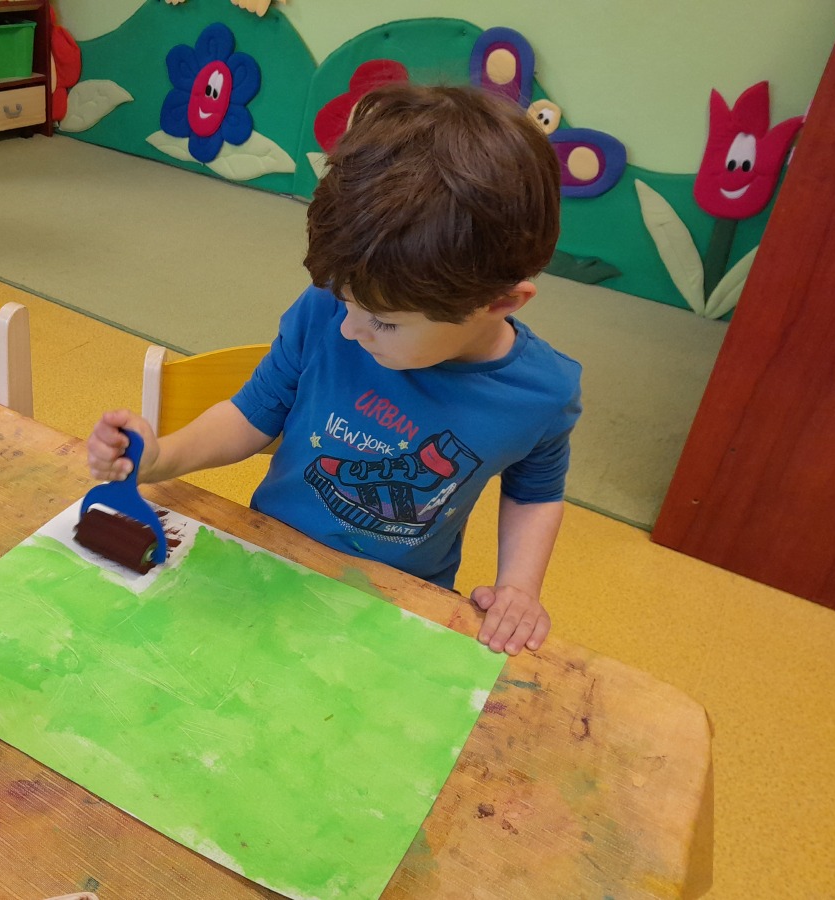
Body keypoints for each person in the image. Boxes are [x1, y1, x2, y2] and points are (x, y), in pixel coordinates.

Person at [87, 83, 581, 656]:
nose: (348, 329)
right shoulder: (328, 308)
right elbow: (251, 414)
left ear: (501, 302)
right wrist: (161, 457)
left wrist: (519, 587)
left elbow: (535, 493)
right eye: (344, 302)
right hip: (271, 558)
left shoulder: (542, 393)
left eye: (384, 322)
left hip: (398, 601)